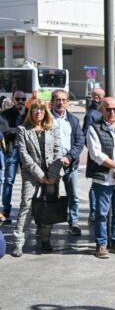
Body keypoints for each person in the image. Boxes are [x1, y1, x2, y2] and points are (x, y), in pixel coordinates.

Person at [11, 99, 63, 257]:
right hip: (31, 175)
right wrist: (39, 174)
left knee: (48, 207)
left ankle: (45, 239)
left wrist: (52, 175)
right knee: (26, 206)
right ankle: (18, 243)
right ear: (30, 112)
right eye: (35, 109)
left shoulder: (52, 128)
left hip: (52, 175)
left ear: (45, 111)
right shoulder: (23, 130)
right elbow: (24, 155)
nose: (38, 112)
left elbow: (58, 152)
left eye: (41, 109)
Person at [86, 97, 115, 259]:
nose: (113, 112)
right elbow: (96, 154)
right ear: (102, 110)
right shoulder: (94, 128)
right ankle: (101, 244)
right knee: (102, 214)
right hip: (103, 179)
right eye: (109, 109)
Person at [50, 89, 85, 235]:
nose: (61, 103)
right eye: (58, 100)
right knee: (51, 196)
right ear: (52, 102)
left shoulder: (73, 120)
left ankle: (74, 222)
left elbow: (79, 141)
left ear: (68, 103)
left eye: (64, 100)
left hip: (70, 164)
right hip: (51, 164)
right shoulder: (47, 119)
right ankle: (48, 224)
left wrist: (69, 157)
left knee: (73, 196)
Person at [1, 90, 27, 224]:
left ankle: (26, 211)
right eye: (18, 99)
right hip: (12, 150)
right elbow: (5, 131)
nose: (21, 102)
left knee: (27, 181)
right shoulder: (5, 114)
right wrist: (21, 130)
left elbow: (33, 129)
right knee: (8, 180)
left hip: (27, 152)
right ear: (13, 99)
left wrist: (15, 130)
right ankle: (6, 211)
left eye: (23, 99)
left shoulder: (29, 112)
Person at [83, 87, 106, 223]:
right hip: (96, 156)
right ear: (97, 98)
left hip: (105, 154)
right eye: (103, 96)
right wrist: (95, 151)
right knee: (96, 183)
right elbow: (86, 134)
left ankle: (98, 210)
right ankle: (93, 212)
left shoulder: (100, 112)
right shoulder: (92, 114)